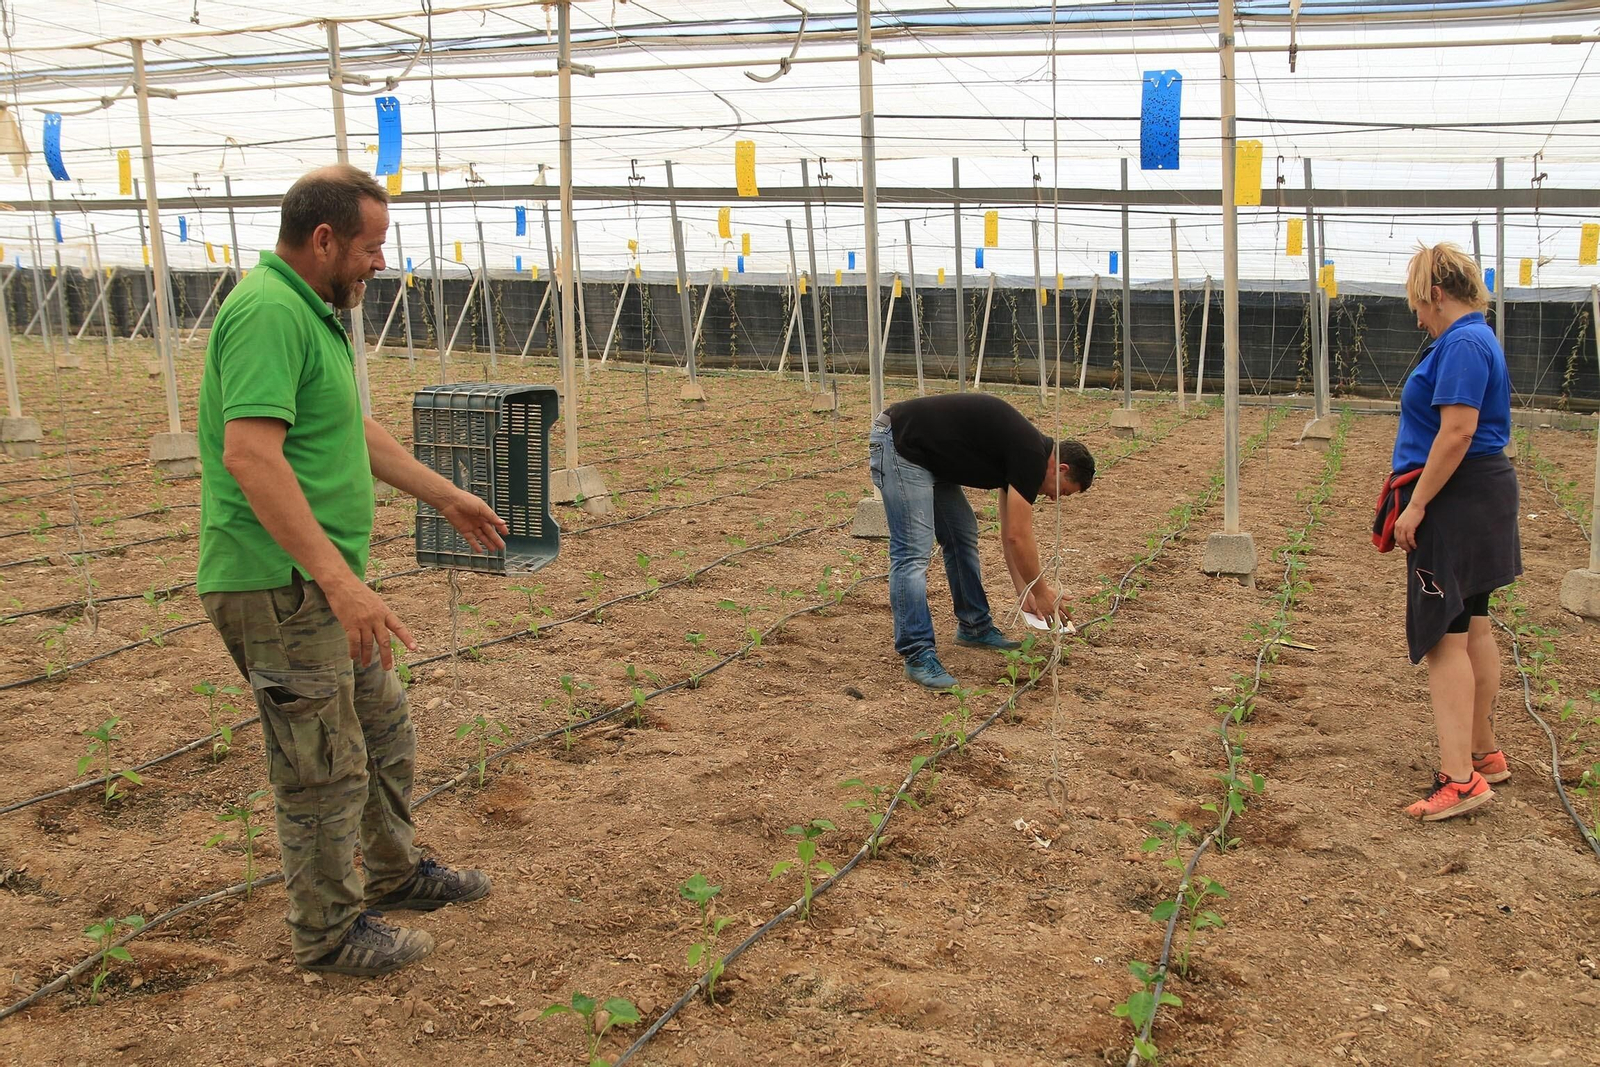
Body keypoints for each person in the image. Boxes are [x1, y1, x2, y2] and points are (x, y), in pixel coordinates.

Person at [197, 165, 511, 975]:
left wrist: (445, 496)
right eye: (371, 248)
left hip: (317, 584)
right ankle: (329, 932)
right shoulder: (269, 312)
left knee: (382, 728)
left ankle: (395, 872)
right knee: (320, 765)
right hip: (278, 584)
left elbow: (351, 428)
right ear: (325, 238)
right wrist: (339, 580)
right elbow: (251, 456)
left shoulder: (313, 314)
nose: (381, 264)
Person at [1387, 242, 1521, 822]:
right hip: (1480, 492)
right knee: (1473, 624)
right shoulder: (1478, 337)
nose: (1416, 317)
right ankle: (1483, 752)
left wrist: (1415, 507)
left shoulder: (1462, 341)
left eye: (1417, 304)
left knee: (1446, 635)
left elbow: (1458, 431)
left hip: (1456, 497)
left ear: (1435, 294)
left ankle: (1460, 780)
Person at [868, 392, 1094, 688]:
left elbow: (1009, 530)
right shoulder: (1032, 455)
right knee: (912, 552)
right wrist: (1040, 591)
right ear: (1061, 469)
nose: (1053, 498)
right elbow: (1018, 536)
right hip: (902, 445)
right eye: (1062, 491)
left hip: (930, 455)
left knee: (962, 533)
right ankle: (917, 653)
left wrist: (1023, 589)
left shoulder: (1028, 452)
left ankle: (974, 627)